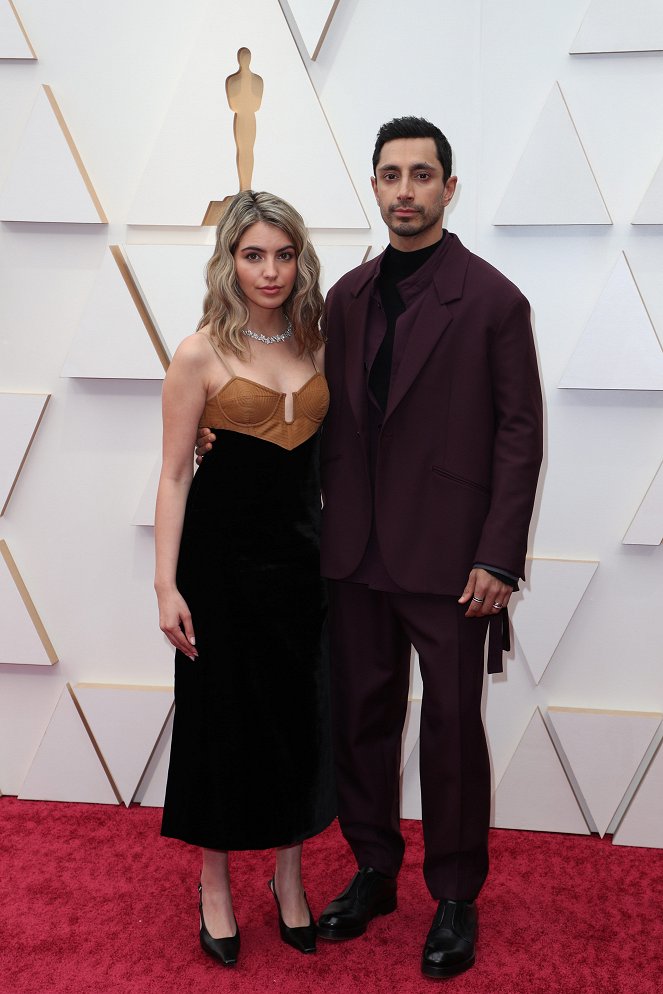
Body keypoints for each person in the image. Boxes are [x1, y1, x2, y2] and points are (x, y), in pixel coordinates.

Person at [198, 116, 543, 979]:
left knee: (452, 735)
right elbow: (298, 398)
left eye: (421, 175)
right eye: (389, 175)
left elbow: (518, 435)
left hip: (454, 564)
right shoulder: (342, 300)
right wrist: (220, 437)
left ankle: (455, 897)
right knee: (358, 723)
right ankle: (374, 870)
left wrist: (498, 556)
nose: (404, 192)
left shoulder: (495, 301)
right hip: (349, 554)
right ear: (375, 186)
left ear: (448, 189)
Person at [155, 190, 335, 967]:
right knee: (220, 723)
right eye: (253, 254)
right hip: (220, 570)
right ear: (229, 259)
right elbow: (170, 477)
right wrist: (166, 587)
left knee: (298, 721)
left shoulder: (319, 341)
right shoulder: (199, 352)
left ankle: (289, 880)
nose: (270, 270)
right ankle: (216, 883)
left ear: (301, 261)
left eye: (284, 254)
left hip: (304, 566)